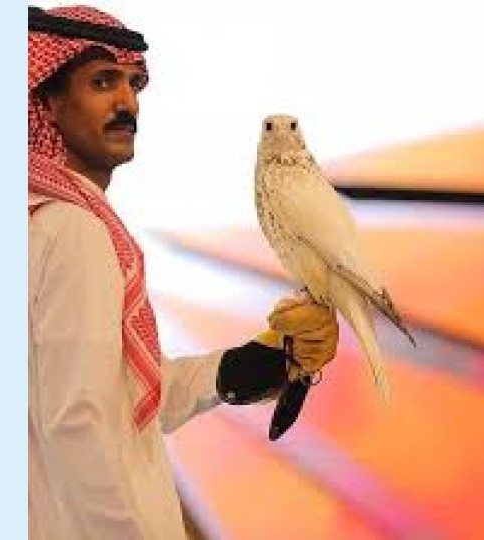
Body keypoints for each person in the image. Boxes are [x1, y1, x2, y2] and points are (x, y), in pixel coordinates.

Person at [27, 6, 340, 539]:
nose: (127, 103)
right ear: (49, 102)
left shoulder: (40, 220)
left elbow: (121, 400)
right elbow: (78, 422)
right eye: (103, 82)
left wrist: (256, 361)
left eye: (133, 84)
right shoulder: (73, 231)